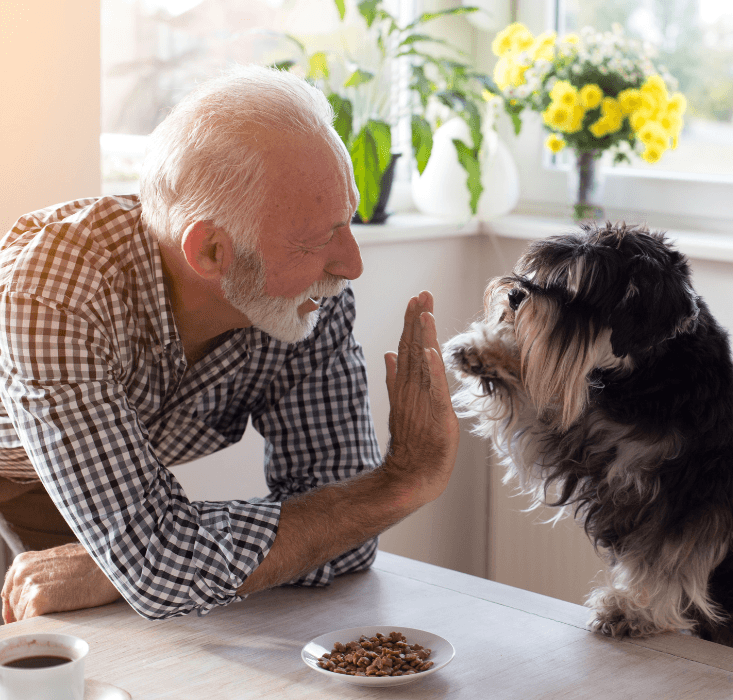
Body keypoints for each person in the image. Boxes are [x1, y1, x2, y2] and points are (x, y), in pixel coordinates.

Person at [0, 65, 459, 622]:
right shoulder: (56, 292)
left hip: (89, 475)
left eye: (348, 220)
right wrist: (403, 481)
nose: (351, 265)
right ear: (212, 253)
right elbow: (160, 566)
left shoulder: (308, 301)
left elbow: (350, 536)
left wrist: (137, 560)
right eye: (317, 240)